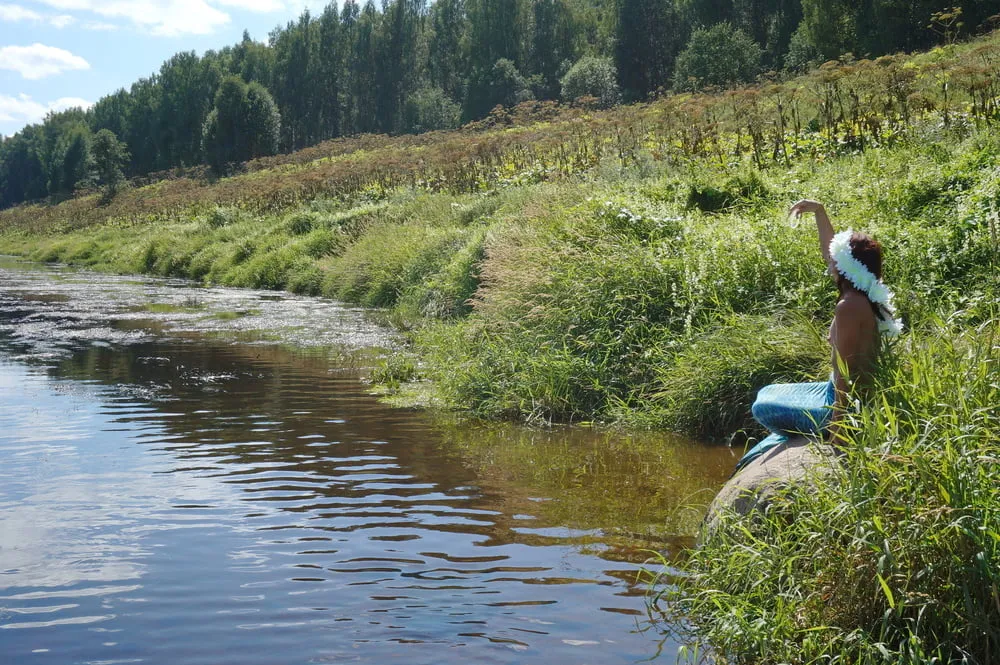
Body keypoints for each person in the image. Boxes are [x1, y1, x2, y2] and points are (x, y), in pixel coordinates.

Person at [734, 200, 902, 471]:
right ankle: (792, 432)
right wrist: (819, 211)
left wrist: (839, 429)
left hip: (847, 403)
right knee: (767, 391)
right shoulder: (866, 291)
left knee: (762, 408)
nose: (829, 262)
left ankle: (808, 431)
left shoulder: (849, 306)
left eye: (835, 260)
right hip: (831, 388)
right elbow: (831, 251)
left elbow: (844, 372)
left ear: (845, 266)